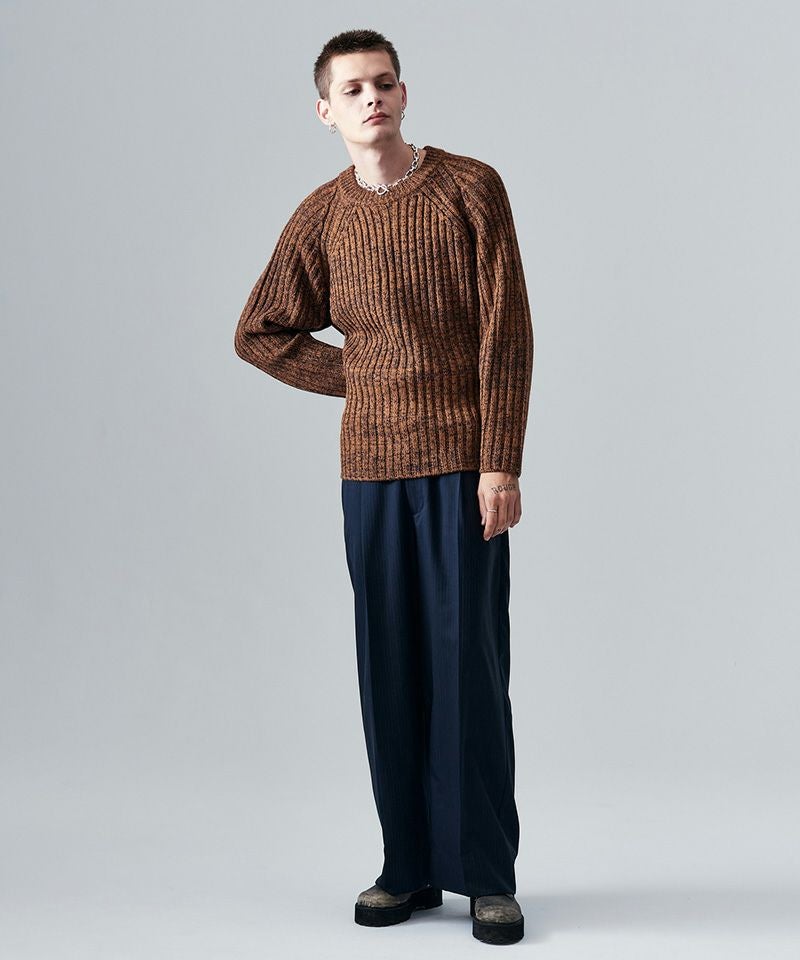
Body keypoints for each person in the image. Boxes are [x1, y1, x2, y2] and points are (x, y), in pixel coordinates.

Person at [234, 28, 534, 947]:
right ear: (325, 112)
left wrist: (501, 460)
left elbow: (507, 331)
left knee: (468, 670)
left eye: (385, 82)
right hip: (368, 470)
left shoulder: (469, 188)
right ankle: (405, 866)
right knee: (389, 669)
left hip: (462, 466)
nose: (373, 98)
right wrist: (363, 377)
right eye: (353, 89)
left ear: (404, 95)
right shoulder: (322, 216)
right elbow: (260, 331)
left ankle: (486, 875)